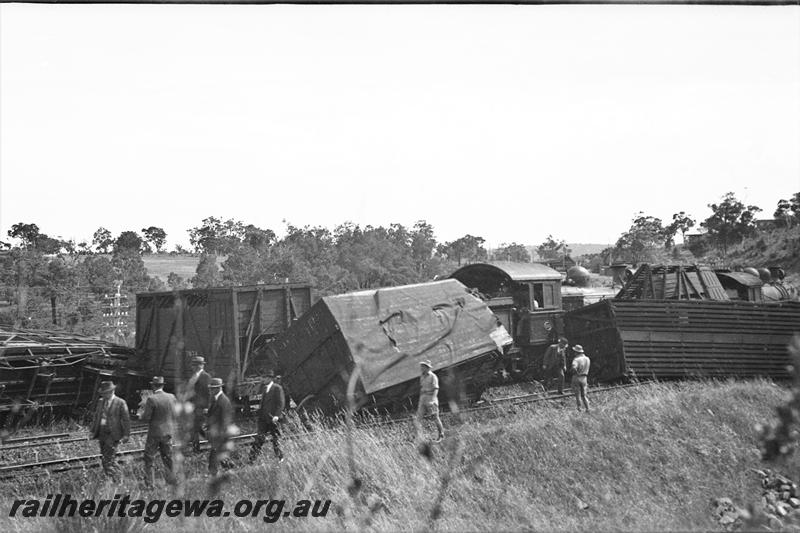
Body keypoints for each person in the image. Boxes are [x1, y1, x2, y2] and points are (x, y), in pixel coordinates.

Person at [140, 376, 178, 488]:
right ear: (162, 385)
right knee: (168, 457)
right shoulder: (172, 397)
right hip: (168, 432)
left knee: (149, 458)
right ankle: (172, 481)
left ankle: (150, 484)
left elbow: (146, 418)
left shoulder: (151, 399)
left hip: (155, 433)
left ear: (153, 386)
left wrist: (140, 415)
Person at [90, 381, 130, 481]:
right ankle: (115, 478)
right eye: (102, 393)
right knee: (105, 458)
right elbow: (97, 416)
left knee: (108, 458)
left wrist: (126, 435)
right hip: (102, 432)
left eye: (104, 393)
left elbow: (126, 419)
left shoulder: (120, 402)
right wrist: (93, 430)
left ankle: (117, 479)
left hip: (113, 434)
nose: (103, 395)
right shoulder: (101, 401)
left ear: (111, 392)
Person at [248, 370, 285, 463]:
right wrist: (259, 414)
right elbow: (263, 404)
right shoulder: (265, 389)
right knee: (259, 438)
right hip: (264, 419)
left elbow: (281, 403)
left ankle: (280, 458)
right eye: (262, 377)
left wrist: (276, 415)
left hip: (273, 419)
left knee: (276, 439)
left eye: (264, 378)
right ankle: (251, 459)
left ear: (269, 378)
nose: (262, 379)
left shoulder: (277, 388)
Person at [206, 377, 234, 476]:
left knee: (214, 454)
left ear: (218, 388)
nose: (210, 390)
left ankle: (213, 473)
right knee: (220, 454)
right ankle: (229, 467)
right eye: (210, 388)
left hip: (220, 433)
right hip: (216, 432)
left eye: (212, 388)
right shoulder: (216, 399)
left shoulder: (224, 401)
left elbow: (226, 420)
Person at [186, 356, 211, 453]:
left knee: (198, 428)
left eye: (195, 365)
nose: (193, 367)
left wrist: (207, 407)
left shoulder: (206, 377)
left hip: (201, 407)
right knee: (195, 428)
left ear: (201, 366)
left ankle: (214, 443)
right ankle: (196, 449)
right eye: (193, 365)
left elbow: (209, 393)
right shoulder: (193, 376)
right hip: (194, 407)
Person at [416, 360, 445, 442]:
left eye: (423, 366)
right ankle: (419, 437)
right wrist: (421, 399)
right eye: (421, 366)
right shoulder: (422, 376)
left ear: (427, 367)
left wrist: (433, 399)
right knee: (418, 418)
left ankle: (441, 434)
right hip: (423, 398)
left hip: (431, 397)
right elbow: (421, 388)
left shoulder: (433, 376)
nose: (421, 368)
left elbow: (436, 388)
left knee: (435, 417)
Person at [571, 345, 591, 412]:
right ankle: (587, 408)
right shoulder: (587, 359)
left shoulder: (576, 359)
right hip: (584, 378)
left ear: (576, 352)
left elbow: (574, 368)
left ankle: (579, 409)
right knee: (584, 395)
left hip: (577, 377)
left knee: (577, 394)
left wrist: (576, 373)